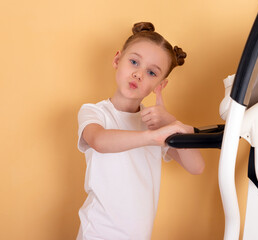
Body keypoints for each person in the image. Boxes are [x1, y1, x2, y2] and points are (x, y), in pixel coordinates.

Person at [76, 22, 205, 240]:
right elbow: (99, 140)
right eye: (134, 62)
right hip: (97, 233)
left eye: (151, 72)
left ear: (160, 85)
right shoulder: (94, 112)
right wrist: (152, 137)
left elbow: (197, 166)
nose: (138, 74)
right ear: (118, 60)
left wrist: (170, 121)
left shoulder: (156, 125)